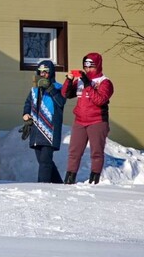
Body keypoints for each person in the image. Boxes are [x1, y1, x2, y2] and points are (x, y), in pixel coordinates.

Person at [61, 52, 114, 184]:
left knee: (96, 152)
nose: (88, 70)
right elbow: (66, 94)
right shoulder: (81, 80)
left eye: (91, 67)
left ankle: (94, 180)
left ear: (98, 66)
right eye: (85, 66)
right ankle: (69, 179)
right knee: (74, 151)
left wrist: (88, 85)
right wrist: (69, 80)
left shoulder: (105, 82)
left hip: (97, 121)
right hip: (80, 120)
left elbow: (100, 100)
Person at [19, 60, 66, 184]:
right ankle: (59, 184)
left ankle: (42, 186)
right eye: (40, 72)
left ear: (51, 73)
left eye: (45, 72)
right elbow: (28, 103)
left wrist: (50, 88)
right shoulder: (34, 89)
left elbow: (61, 102)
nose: (43, 74)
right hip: (36, 130)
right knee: (44, 161)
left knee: (45, 161)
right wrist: (26, 114)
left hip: (50, 130)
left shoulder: (59, 87)